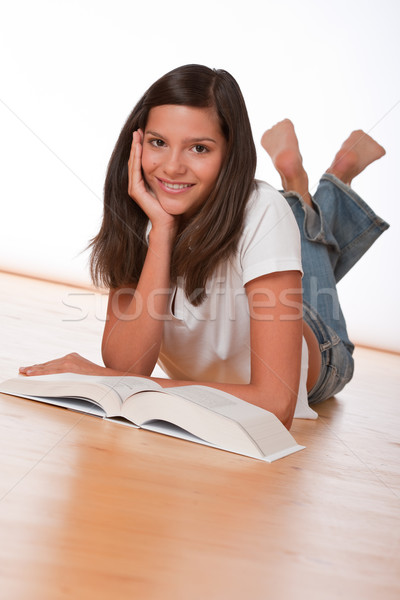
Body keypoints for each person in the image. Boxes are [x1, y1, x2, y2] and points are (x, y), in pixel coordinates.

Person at [19, 64, 389, 429]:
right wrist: (161, 232)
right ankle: (298, 187)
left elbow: (276, 405)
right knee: (285, 237)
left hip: (317, 351)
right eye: (158, 142)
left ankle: (312, 185)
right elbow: (127, 368)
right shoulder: (140, 212)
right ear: (137, 142)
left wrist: (109, 382)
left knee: (287, 236)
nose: (172, 167)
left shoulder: (261, 209)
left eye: (198, 148)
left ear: (230, 155)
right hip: (260, 298)